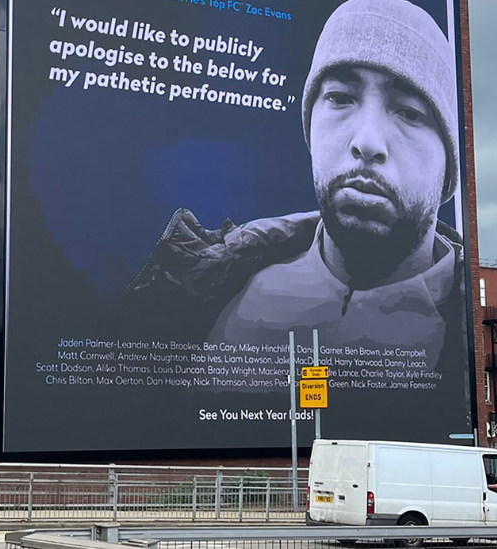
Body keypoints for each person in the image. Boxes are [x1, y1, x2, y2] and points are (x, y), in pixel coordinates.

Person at [130, 0, 463, 370]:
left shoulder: (469, 330)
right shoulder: (218, 299)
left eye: (409, 112)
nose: (367, 142)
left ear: (448, 164)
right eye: (339, 97)